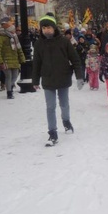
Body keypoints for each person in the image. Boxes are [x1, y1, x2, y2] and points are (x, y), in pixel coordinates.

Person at [31, 13, 84, 146]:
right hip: (48, 79)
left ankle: (66, 122)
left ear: (54, 28)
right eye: (43, 28)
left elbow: (75, 59)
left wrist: (79, 76)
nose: (46, 30)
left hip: (63, 77)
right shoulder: (38, 44)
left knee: (64, 104)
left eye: (48, 28)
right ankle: (52, 132)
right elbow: (36, 63)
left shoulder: (64, 41)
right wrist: (35, 80)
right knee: (50, 106)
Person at [0, 16, 26, 99]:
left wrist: (22, 58)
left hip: (14, 59)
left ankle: (10, 87)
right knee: (8, 76)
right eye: (12, 29)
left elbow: (19, 49)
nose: (14, 31)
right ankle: (9, 92)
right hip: (5, 60)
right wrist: (0, 61)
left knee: (15, 75)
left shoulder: (14, 37)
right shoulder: (0, 37)